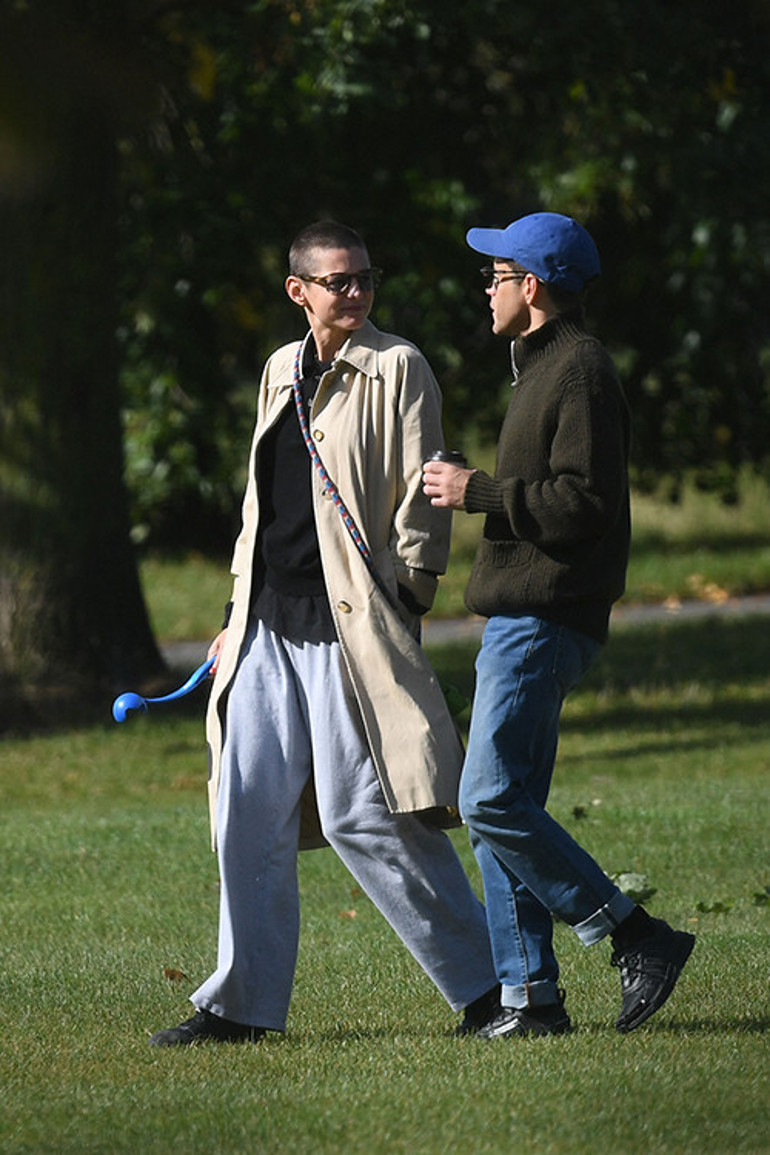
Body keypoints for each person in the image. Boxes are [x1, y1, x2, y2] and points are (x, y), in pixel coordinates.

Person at [150, 220, 498, 1046]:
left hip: (350, 620)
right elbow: (258, 507)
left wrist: (409, 591)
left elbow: (424, 487)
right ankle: (240, 1006)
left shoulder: (398, 365)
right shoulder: (280, 368)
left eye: (364, 279)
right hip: (267, 623)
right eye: (337, 281)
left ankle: (490, 989)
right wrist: (234, 619)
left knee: (364, 814)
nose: (355, 292)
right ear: (298, 290)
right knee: (246, 809)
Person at [422, 212, 695, 1038]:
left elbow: (584, 503)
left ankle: (633, 935)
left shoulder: (577, 371)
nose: (488, 287)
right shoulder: (543, 366)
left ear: (530, 287)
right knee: (507, 807)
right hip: (521, 615)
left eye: (495, 275)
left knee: (490, 797)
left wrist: (480, 491)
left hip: (543, 616)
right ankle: (529, 999)